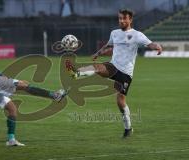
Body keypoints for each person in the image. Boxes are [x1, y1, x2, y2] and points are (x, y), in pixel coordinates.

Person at [65, 9, 162, 138]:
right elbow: (109, 47)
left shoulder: (137, 35)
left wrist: (157, 46)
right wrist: (97, 53)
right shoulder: (114, 33)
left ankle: (128, 128)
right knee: (97, 68)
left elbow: (150, 43)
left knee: (120, 102)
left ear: (130, 20)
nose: (121, 21)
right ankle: (75, 73)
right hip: (113, 66)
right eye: (120, 18)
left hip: (126, 73)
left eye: (124, 18)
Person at [0, 27, 67, 146]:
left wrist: (2, 76)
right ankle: (54, 95)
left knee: (12, 109)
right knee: (24, 84)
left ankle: (11, 140)